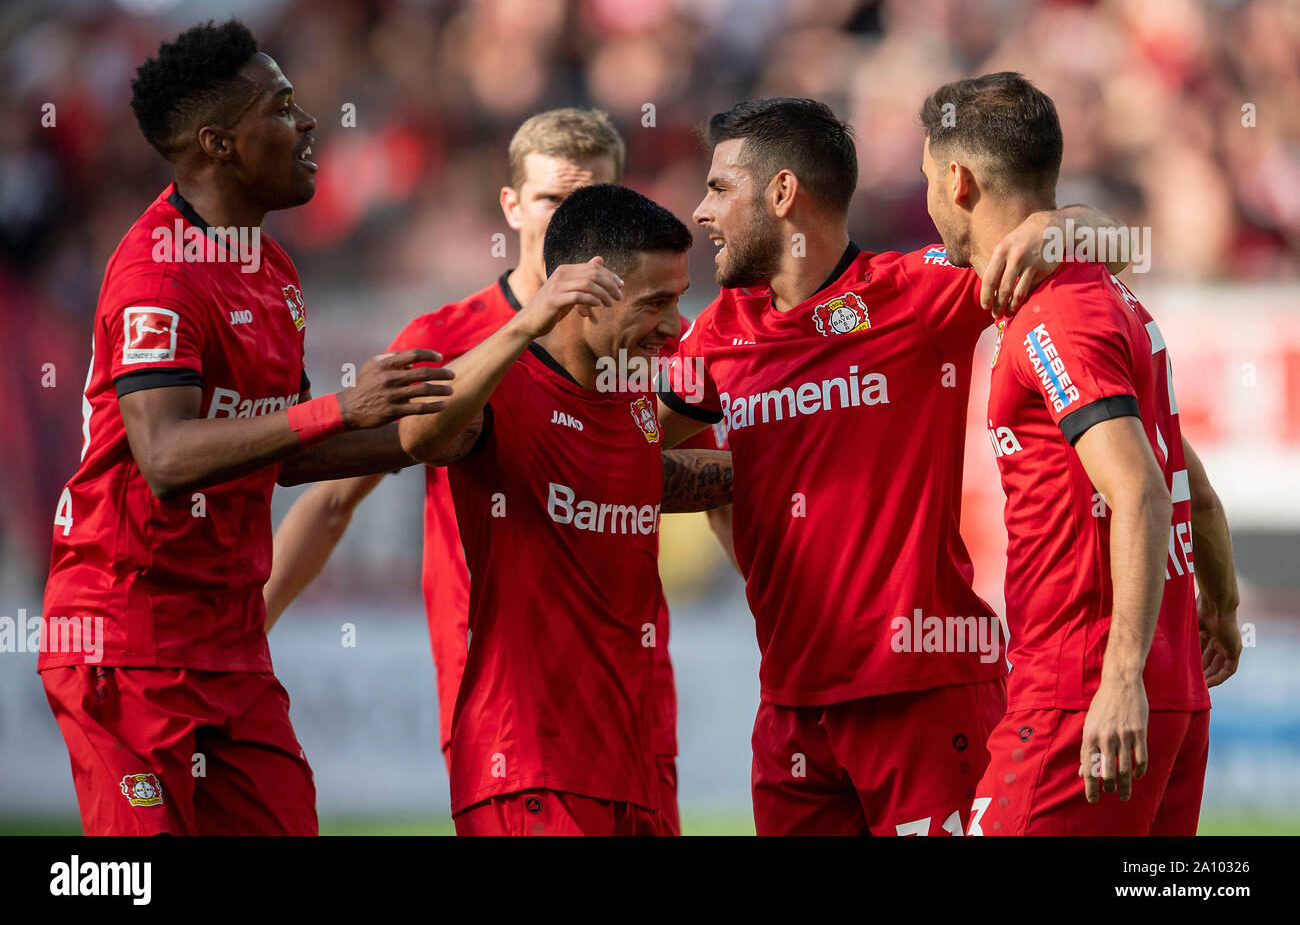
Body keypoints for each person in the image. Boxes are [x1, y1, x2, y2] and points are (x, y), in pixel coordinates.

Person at [656, 97, 1132, 835]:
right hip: (790, 712)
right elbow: (619, 448)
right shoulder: (719, 333)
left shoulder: (916, 293)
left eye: (721, 189)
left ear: (783, 195)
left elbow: (1109, 249)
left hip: (926, 692)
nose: (702, 211)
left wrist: (1059, 227)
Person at [262, 108, 731, 834]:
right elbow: (331, 498)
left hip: (633, 696)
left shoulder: (641, 352)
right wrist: (253, 622)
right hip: (510, 698)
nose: (572, 222)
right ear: (512, 206)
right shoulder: (453, 345)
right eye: (553, 201)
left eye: (591, 199)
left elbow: (658, 476)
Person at [39, 20, 451, 836]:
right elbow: (165, 457)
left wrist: (425, 440)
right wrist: (341, 406)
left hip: (229, 643)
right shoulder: (157, 274)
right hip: (125, 633)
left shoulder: (272, 267)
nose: (307, 124)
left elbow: (285, 448)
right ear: (219, 143)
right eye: (283, 106)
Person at [918, 72, 1240, 834]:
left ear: (957, 181)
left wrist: (1119, 676)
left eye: (929, 180)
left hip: (1082, 689)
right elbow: (1181, 468)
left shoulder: (1054, 314)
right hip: (1168, 691)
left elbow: (1140, 490)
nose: (928, 201)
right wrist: (1219, 604)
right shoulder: (1112, 293)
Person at [399, 184, 732, 835]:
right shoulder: (505, 391)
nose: (675, 324)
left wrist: (822, 450)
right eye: (657, 303)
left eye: (680, 300)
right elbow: (420, 437)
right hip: (527, 769)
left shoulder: (632, 404)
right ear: (583, 297)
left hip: (628, 765)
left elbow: (647, 479)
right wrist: (526, 321)